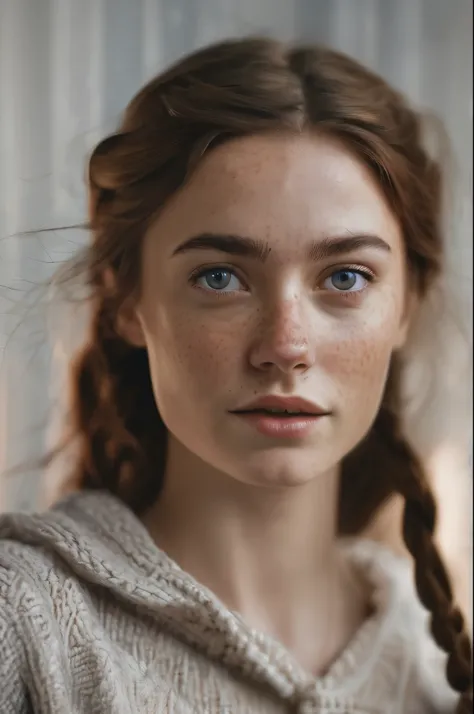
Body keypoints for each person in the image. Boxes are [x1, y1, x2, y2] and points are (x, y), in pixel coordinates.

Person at [0, 37, 471, 714]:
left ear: (406, 306)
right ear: (127, 300)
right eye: (220, 278)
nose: (285, 346)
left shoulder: (434, 667)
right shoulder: (22, 630)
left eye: (345, 277)